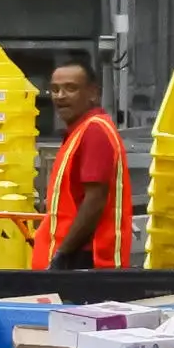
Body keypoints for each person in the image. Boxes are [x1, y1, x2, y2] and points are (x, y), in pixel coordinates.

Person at [37, 56, 128, 272]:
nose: (60, 96)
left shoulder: (94, 131)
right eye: (55, 89)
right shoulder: (79, 131)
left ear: (93, 94)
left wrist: (63, 255)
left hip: (86, 261)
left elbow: (95, 200)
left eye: (70, 88)